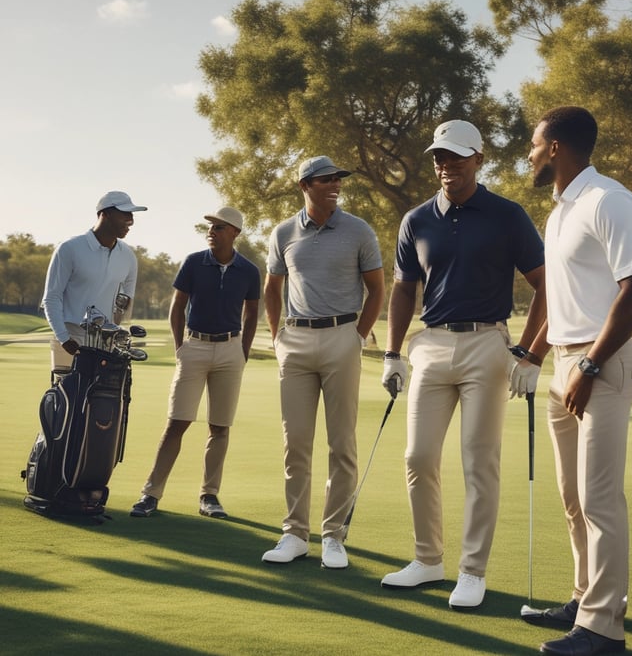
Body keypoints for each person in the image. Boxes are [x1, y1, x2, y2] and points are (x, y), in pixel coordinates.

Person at [379, 120, 547, 609]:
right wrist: (393, 353)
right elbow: (404, 289)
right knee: (418, 457)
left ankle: (472, 571)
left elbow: (545, 285)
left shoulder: (507, 215)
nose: (445, 165)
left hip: (486, 344)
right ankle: (428, 560)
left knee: (479, 462)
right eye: (439, 157)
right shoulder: (416, 219)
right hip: (430, 344)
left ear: (479, 158)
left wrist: (531, 354)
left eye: (455, 157)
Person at [523, 106, 632, 656]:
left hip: (604, 362)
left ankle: (603, 630)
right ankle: (585, 598)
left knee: (600, 498)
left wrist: (591, 366)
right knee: (573, 496)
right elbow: (563, 302)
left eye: (534, 145)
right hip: (563, 362)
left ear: (555, 147)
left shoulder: (609, 201)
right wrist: (532, 357)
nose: (528, 155)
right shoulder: (559, 214)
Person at [261, 155, 385, 570]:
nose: (334, 185)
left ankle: (333, 536)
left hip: (341, 337)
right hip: (294, 341)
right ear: (304, 186)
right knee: (295, 442)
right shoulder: (283, 233)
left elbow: (377, 291)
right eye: (325, 180)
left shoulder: (358, 230)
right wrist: (277, 336)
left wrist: (356, 336)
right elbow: (272, 289)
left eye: (337, 179)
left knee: (341, 443)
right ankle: (294, 533)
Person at [130, 206, 260, 519]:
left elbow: (252, 312)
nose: (211, 231)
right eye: (211, 227)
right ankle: (150, 493)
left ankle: (209, 496)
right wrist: (180, 347)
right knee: (177, 422)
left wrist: (242, 350)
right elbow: (177, 308)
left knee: (220, 426)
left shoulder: (249, 270)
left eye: (218, 227)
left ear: (234, 233)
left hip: (230, 351)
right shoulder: (193, 263)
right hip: (195, 347)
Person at [41, 191, 147, 378]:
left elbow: (124, 302)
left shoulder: (128, 257)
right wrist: (64, 338)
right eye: (125, 214)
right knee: (68, 401)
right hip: (70, 338)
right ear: (104, 214)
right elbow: (52, 296)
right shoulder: (70, 249)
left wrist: (115, 334)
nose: (130, 220)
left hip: (107, 343)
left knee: (105, 402)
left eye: (132, 215)